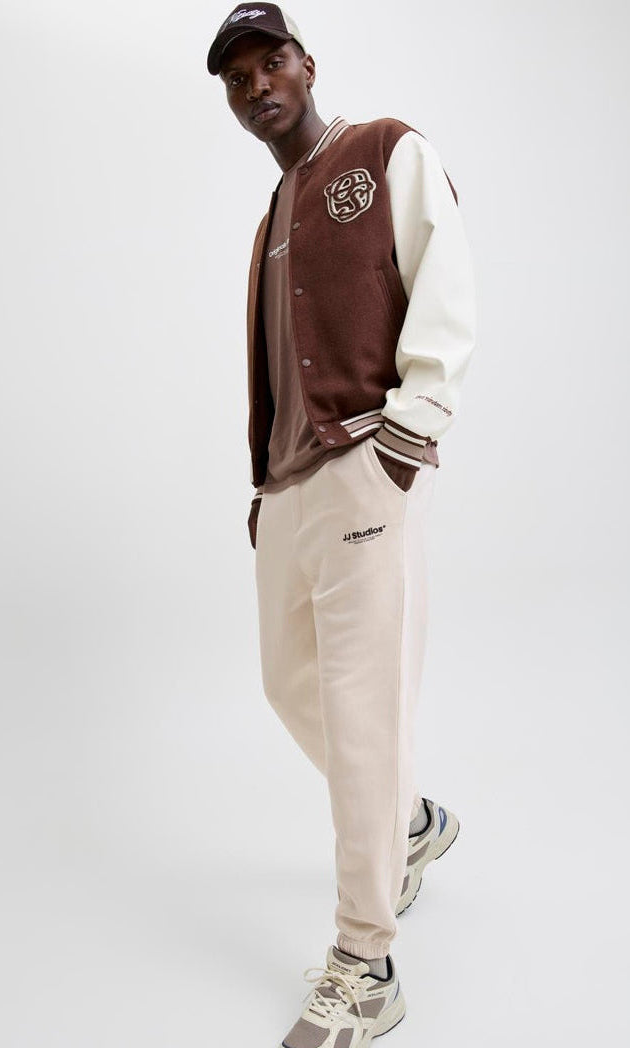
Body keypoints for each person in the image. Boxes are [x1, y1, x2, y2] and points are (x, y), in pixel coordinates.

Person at [207, 6, 477, 1044]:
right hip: (286, 491)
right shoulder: (274, 214)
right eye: (237, 79)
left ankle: (366, 964)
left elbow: (443, 278)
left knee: (361, 714)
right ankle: (407, 823)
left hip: (367, 462)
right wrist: (266, 490)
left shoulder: (382, 150)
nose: (257, 86)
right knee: (289, 685)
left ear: (306, 64)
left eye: (270, 61)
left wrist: (408, 436)